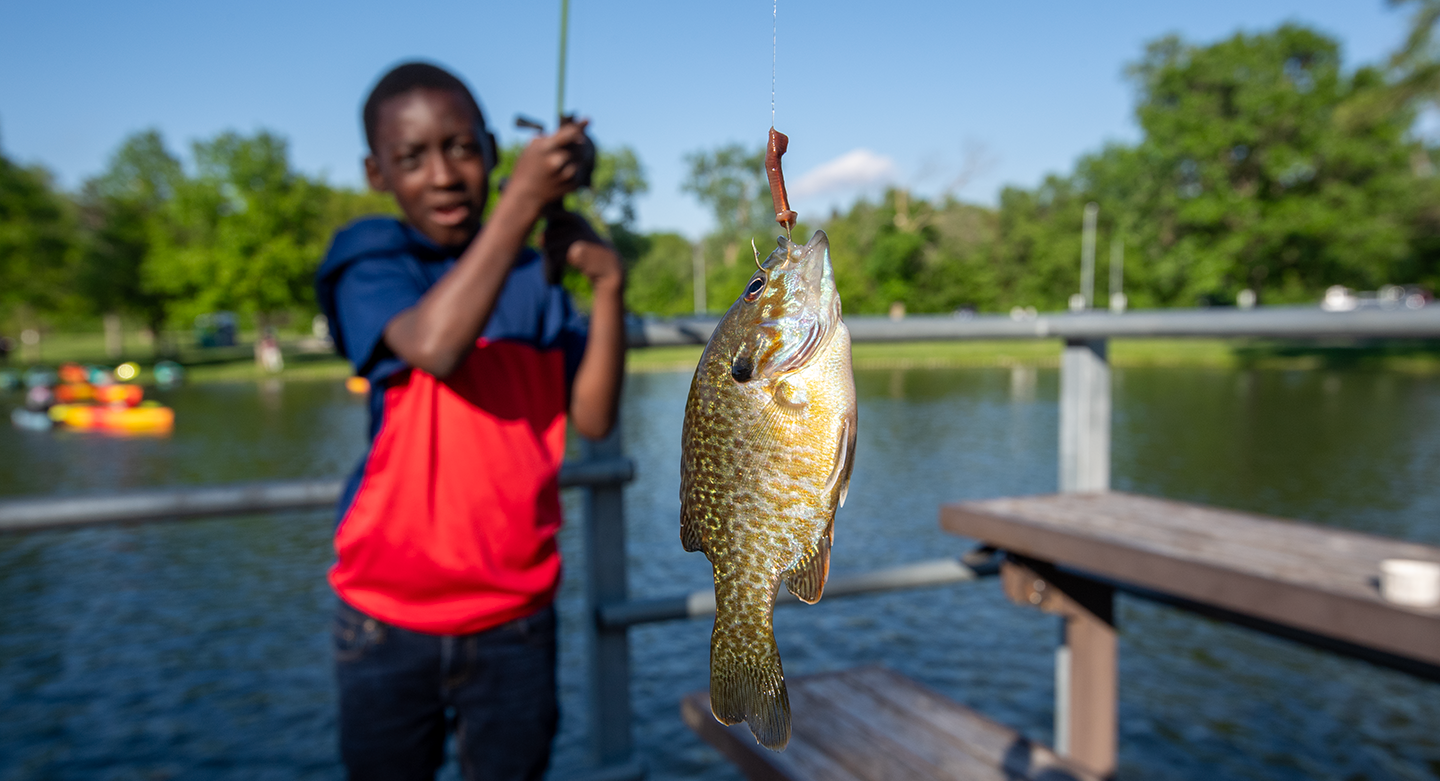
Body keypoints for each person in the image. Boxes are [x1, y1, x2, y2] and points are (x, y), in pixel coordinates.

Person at [313, 62, 626, 781]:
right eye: (412, 157)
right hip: (384, 619)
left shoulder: (534, 277)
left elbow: (595, 416)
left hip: (516, 617)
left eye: (461, 148)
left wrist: (606, 286)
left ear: (490, 149)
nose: (445, 175)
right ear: (375, 172)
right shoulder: (369, 259)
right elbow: (436, 345)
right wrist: (522, 199)